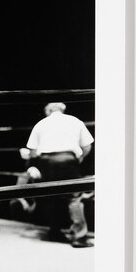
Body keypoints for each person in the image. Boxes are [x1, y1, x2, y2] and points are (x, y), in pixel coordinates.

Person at [25, 101, 94, 247]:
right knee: (74, 197)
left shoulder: (41, 124)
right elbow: (87, 146)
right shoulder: (75, 121)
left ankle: (54, 232)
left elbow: (31, 151)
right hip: (68, 159)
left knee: (52, 196)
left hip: (46, 161)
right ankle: (79, 237)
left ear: (48, 111)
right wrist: (79, 158)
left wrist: (39, 162)